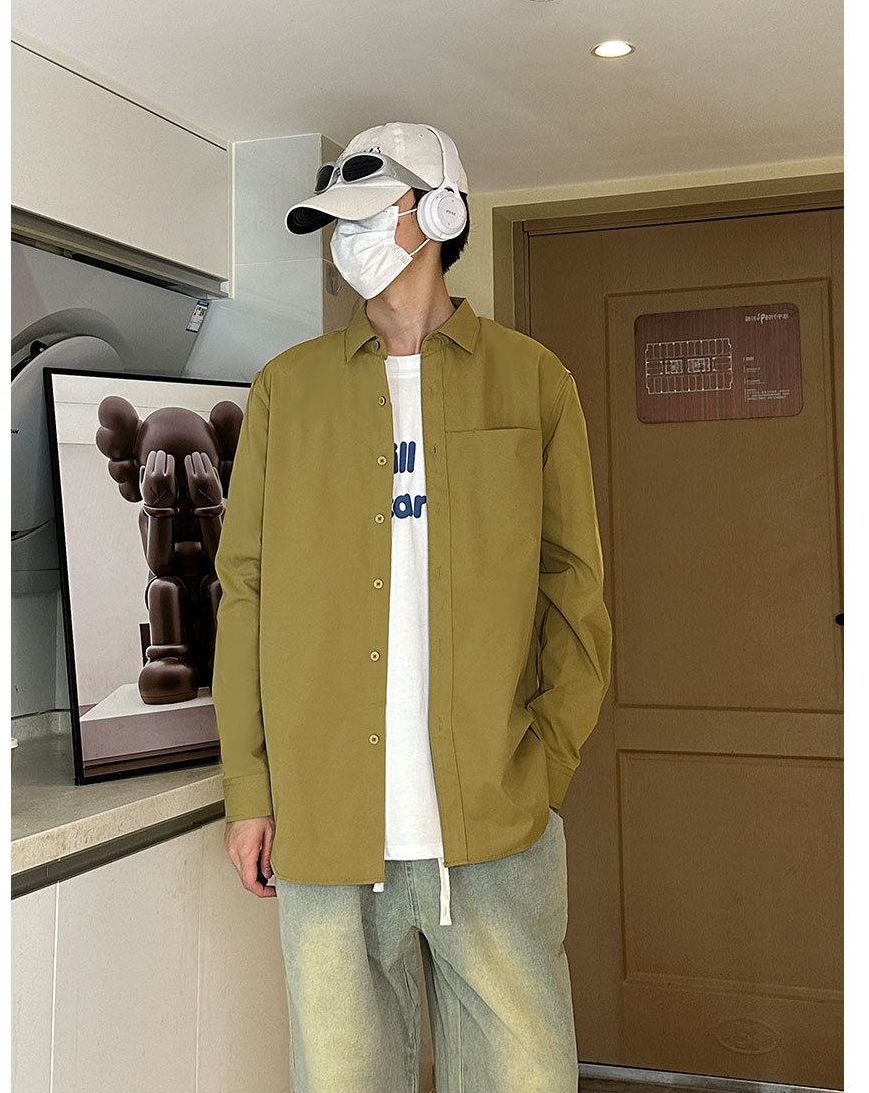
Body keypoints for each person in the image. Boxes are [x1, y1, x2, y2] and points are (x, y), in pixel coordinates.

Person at [212, 121, 612, 1092]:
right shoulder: (285, 392)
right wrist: (249, 789)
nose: (344, 242)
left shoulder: (533, 380)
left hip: (495, 824)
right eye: (334, 224)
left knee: (525, 1077)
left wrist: (544, 760)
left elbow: (573, 587)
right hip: (323, 825)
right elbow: (245, 590)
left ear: (438, 212)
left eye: (365, 216)